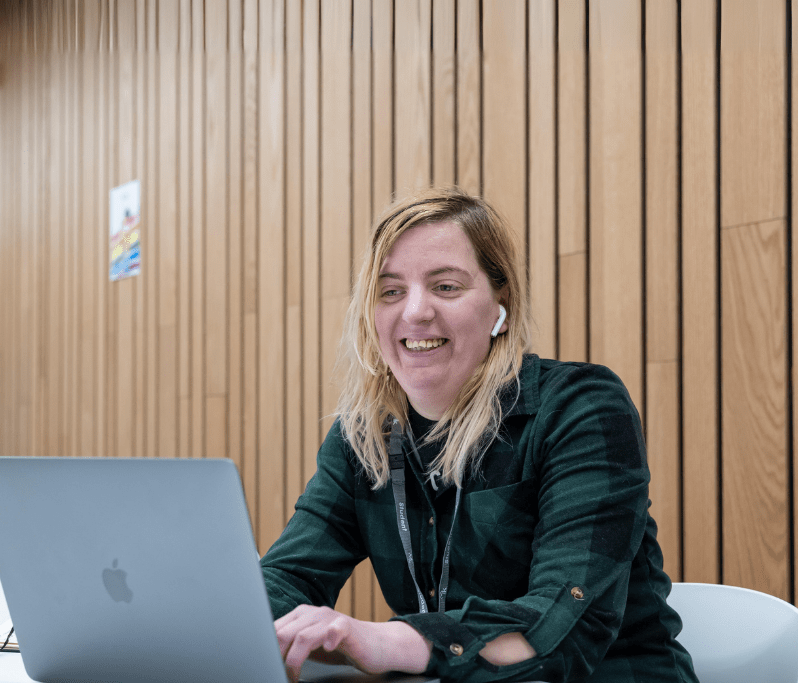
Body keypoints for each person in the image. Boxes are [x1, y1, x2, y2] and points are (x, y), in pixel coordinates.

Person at [261, 188, 698, 683]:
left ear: (500, 302)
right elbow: (289, 577)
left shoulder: (582, 408)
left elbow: (557, 632)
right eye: (390, 291)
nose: (415, 312)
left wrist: (379, 640)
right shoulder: (363, 435)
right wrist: (227, 621)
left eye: (446, 286)